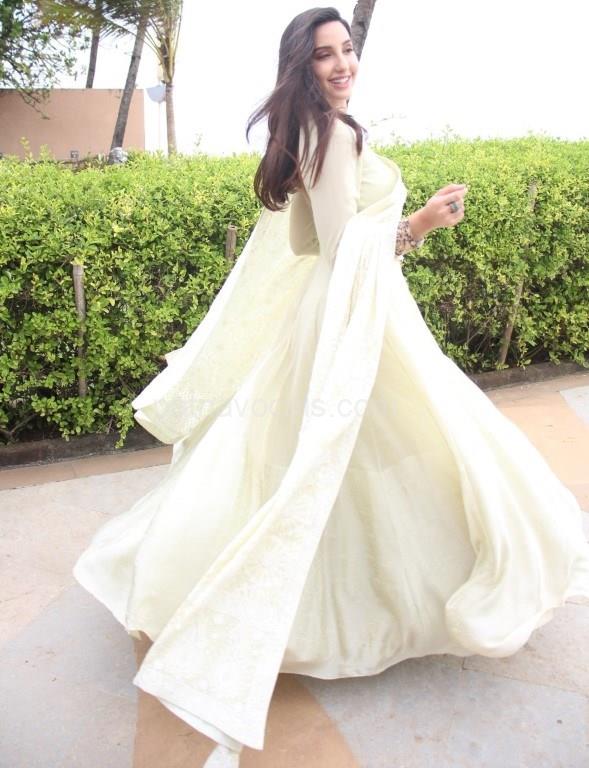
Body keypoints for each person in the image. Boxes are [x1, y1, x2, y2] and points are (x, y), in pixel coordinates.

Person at [73, 7, 589, 767]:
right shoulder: (334, 134)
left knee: (342, 453)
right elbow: (343, 245)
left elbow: (304, 239)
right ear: (302, 67)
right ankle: (360, 608)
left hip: (334, 314)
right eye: (325, 54)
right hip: (355, 322)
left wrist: (391, 232)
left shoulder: (311, 133)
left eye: (347, 48)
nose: (344, 63)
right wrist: (420, 223)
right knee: (388, 445)